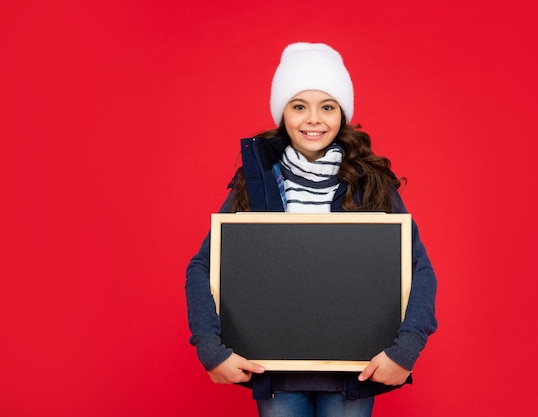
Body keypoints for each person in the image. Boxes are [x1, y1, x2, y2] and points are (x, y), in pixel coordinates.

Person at [185, 42, 437, 417]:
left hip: (355, 374)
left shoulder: (372, 183)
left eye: (327, 106)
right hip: (276, 375)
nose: (313, 119)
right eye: (299, 106)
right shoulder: (257, 184)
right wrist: (209, 348)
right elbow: (203, 266)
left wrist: (406, 349)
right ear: (282, 114)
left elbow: (418, 269)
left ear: (343, 114)